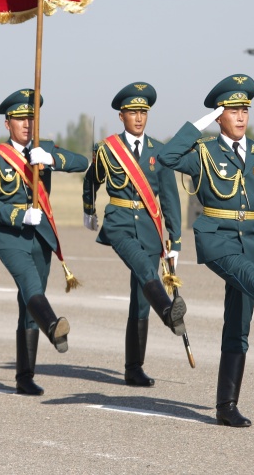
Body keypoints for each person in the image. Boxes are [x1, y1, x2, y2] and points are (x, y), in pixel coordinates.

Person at [158, 74, 254, 428]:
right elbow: (166, 157)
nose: (241, 116)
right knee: (247, 278)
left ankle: (226, 406)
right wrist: (199, 124)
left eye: (245, 108)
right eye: (232, 110)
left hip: (252, 241)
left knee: (239, 324)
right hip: (217, 239)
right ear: (219, 115)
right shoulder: (203, 152)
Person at [0, 89, 89, 395]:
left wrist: (52, 159)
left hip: (41, 238)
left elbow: (82, 163)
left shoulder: (45, 148)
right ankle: (53, 326)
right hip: (11, 237)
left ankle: (24, 377)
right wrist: (18, 215)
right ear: (7, 123)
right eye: (20, 119)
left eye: (32, 118)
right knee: (30, 286)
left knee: (28, 304)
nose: (27, 124)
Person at [82, 83, 185, 388]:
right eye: (133, 112)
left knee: (141, 299)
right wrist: (89, 209)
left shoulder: (159, 151)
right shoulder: (108, 149)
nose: (139, 118)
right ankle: (168, 311)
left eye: (143, 112)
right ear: (121, 115)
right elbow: (92, 178)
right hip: (120, 223)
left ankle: (133, 368)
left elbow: (169, 198)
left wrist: (175, 239)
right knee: (143, 268)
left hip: (151, 229)